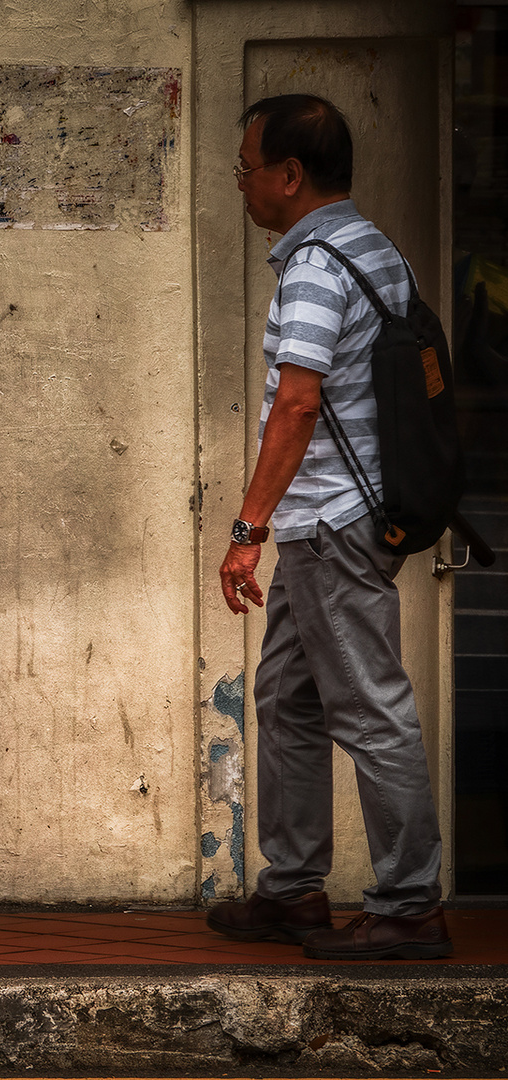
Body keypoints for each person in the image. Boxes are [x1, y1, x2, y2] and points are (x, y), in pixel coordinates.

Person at [208, 94, 453, 961]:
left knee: (372, 711)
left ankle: (409, 906)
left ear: (289, 175)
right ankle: (294, 891)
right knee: (289, 699)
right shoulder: (372, 246)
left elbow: (299, 402)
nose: (241, 185)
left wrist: (247, 528)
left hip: (330, 524)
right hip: (340, 519)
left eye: (245, 169)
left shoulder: (316, 264)